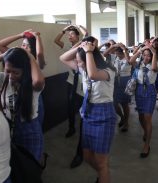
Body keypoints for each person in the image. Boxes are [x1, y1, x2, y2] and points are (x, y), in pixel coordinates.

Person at [60, 36, 116, 183]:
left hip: (104, 116)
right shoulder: (83, 70)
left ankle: (103, 174)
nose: (77, 63)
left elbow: (93, 75)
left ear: (89, 58)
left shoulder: (108, 71)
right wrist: (81, 45)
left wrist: (89, 51)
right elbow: (63, 58)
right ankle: (104, 173)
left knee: (101, 162)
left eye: (79, 61)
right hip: (88, 114)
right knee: (87, 156)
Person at [0, 47, 45, 162]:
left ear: (25, 70)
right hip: (8, 129)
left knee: (30, 167)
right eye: (8, 70)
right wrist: (4, 55)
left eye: (16, 72)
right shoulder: (2, 78)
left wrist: (29, 56)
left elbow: (39, 81)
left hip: (29, 131)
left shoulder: (32, 84)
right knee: (16, 166)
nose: (11, 76)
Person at [0, 29, 46, 129]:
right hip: (14, 98)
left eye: (28, 46)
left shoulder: (35, 62)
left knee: (34, 125)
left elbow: (40, 54)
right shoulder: (17, 59)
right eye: (23, 45)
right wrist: (20, 35)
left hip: (32, 99)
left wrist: (37, 37)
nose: (25, 48)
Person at [54, 24, 88, 168]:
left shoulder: (83, 48)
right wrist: (64, 30)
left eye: (72, 35)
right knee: (70, 106)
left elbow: (87, 36)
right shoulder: (69, 48)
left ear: (78, 36)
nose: (69, 37)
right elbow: (56, 41)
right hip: (71, 81)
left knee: (83, 114)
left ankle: (80, 151)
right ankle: (71, 127)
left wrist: (79, 28)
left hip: (82, 84)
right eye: (69, 35)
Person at [130, 44, 158, 158]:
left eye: (149, 55)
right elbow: (131, 60)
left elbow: (154, 68)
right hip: (139, 90)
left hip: (150, 91)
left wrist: (154, 52)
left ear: (152, 57)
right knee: (141, 117)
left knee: (147, 117)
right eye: (144, 55)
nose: (146, 57)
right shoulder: (139, 64)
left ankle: (147, 145)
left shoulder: (155, 65)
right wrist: (140, 50)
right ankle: (146, 132)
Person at [104, 42, 132, 132]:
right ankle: (122, 117)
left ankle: (126, 123)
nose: (117, 55)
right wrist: (114, 46)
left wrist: (125, 50)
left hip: (125, 81)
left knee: (124, 104)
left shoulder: (128, 58)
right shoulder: (115, 58)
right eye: (116, 53)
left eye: (119, 53)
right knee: (114, 103)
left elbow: (129, 61)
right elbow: (105, 54)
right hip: (115, 81)